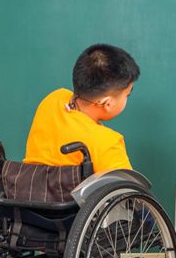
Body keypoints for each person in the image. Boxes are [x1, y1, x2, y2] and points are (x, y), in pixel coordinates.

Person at [24, 43, 140, 172]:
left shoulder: (53, 99)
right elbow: (128, 191)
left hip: (29, 189)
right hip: (73, 193)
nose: (127, 98)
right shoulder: (107, 143)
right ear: (107, 103)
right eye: (127, 95)